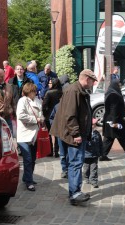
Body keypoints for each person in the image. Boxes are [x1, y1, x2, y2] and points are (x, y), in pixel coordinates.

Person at [50, 69, 97, 205]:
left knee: (74, 163)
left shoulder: (77, 90)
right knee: (76, 163)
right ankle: (75, 194)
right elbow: (70, 115)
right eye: (93, 81)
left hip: (73, 133)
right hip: (73, 134)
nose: (93, 84)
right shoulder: (74, 91)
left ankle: (74, 192)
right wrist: (76, 133)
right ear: (87, 79)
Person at [16, 82, 44, 191]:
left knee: (32, 159)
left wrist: (41, 119)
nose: (35, 92)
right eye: (33, 91)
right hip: (24, 133)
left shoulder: (37, 100)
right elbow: (21, 115)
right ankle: (29, 181)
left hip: (34, 134)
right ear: (29, 91)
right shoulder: (22, 101)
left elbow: (41, 113)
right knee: (27, 159)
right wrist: (35, 119)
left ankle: (27, 177)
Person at [101, 80, 125, 161]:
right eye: (119, 85)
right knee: (123, 137)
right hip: (116, 120)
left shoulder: (110, 93)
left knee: (109, 138)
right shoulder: (114, 95)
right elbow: (114, 109)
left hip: (110, 119)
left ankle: (102, 154)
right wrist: (114, 122)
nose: (120, 87)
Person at [42, 78, 63, 157]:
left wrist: (44, 114)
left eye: (50, 83)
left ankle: (51, 151)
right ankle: (57, 150)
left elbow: (44, 105)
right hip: (59, 115)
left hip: (50, 115)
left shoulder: (49, 93)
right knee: (58, 134)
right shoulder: (61, 92)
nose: (49, 84)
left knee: (50, 134)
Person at [83, 118, 103, 188]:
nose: (94, 125)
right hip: (86, 155)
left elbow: (100, 144)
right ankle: (86, 178)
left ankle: (93, 180)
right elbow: (84, 145)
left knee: (94, 168)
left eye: (94, 124)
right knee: (86, 168)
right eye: (92, 124)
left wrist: (101, 153)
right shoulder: (84, 134)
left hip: (95, 155)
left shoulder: (97, 133)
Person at [0, 68, 15, 133]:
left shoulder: (9, 86)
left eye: (2, 76)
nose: (2, 77)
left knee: (9, 136)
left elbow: (12, 101)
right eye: (0, 76)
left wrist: (15, 114)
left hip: (7, 116)